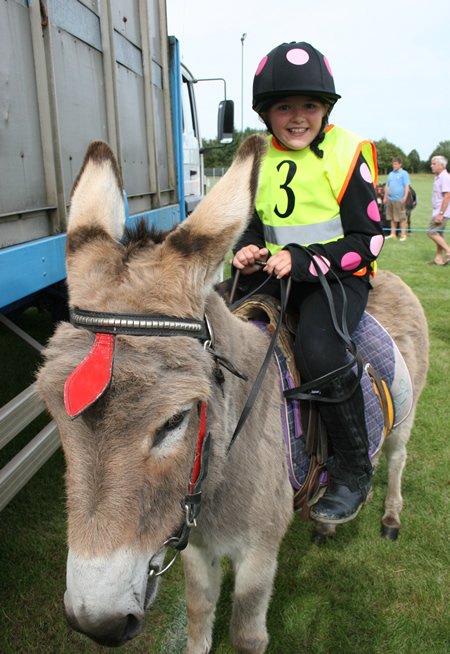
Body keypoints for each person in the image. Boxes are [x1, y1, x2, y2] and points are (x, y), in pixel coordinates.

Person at [229, 41, 384, 524]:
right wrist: (248, 247)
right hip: (277, 273)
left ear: (326, 109)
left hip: (336, 280)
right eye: (284, 107)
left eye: (309, 106)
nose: (298, 117)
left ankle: (353, 471)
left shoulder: (350, 150)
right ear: (267, 113)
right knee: (213, 323)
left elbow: (368, 241)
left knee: (320, 351)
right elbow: (258, 224)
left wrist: (305, 262)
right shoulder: (258, 158)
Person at [426, 156, 450, 265]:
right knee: (439, 234)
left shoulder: (445, 177)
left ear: (441, 165)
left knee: (431, 232)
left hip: (442, 212)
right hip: (438, 211)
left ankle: (448, 250)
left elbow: (447, 196)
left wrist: (441, 213)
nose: (432, 166)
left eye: (434, 164)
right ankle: (438, 258)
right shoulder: (438, 177)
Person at [383, 157, 410, 241]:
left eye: (395, 164)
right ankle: (393, 234)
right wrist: (385, 197)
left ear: (400, 164)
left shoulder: (404, 174)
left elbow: (406, 186)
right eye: (393, 164)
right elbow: (387, 186)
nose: (394, 166)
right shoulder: (391, 174)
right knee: (392, 217)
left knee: (401, 217)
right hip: (390, 199)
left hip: (399, 199)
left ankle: (403, 235)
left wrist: (405, 196)